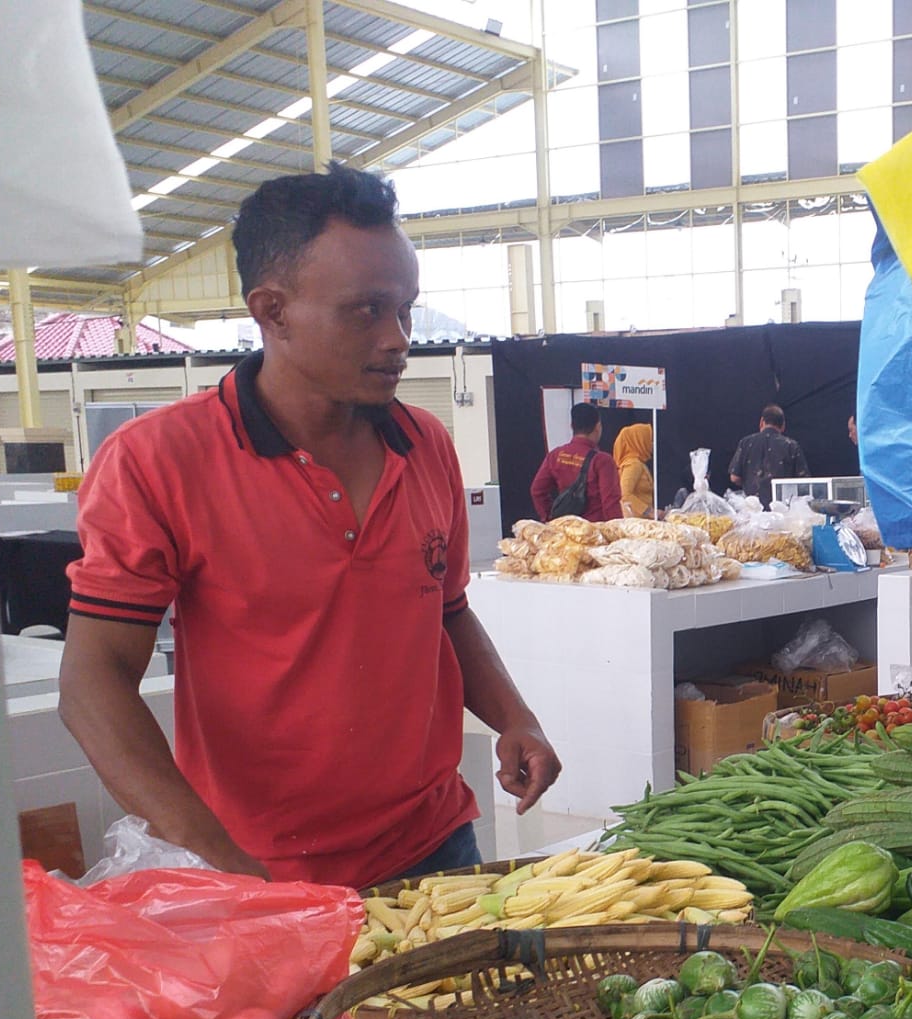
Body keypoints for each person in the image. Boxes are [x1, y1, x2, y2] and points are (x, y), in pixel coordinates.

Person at [57, 162, 561, 889]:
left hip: (437, 848)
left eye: (406, 309)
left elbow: (447, 611)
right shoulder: (158, 461)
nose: (398, 338)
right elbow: (92, 683)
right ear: (273, 310)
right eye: (366, 310)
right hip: (263, 867)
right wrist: (216, 857)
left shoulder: (426, 446)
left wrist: (516, 715)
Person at [531, 402, 621, 522]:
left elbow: (537, 490)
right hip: (594, 532)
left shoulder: (555, 455)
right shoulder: (602, 461)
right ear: (598, 427)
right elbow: (611, 503)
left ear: (572, 426)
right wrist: (618, 533)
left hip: (566, 531)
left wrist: (550, 519)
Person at [729, 404, 808, 506]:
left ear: (762, 422)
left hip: (751, 509)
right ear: (783, 425)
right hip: (781, 510)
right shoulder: (791, 446)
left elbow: (734, 477)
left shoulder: (745, 443)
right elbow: (803, 483)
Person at [613, 422, 655, 518]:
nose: (652, 444)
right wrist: (649, 511)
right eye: (649, 439)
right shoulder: (633, 464)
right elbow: (625, 494)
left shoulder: (638, 463)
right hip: (637, 523)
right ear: (638, 441)